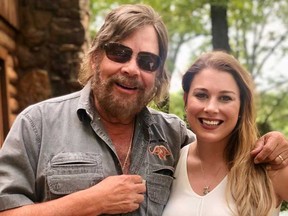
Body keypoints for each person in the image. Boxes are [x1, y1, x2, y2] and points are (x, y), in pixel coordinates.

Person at [0, 4, 287, 216]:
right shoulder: (37, 125)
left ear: (158, 75)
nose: (131, 69)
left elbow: (222, 148)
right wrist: (91, 201)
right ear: (96, 56)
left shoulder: (174, 136)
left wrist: (274, 145)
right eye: (120, 53)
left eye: (147, 61)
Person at [162, 51, 288, 216]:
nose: (211, 108)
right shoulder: (169, 163)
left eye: (225, 98)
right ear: (186, 99)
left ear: (242, 106)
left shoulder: (271, 166)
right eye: (201, 95)